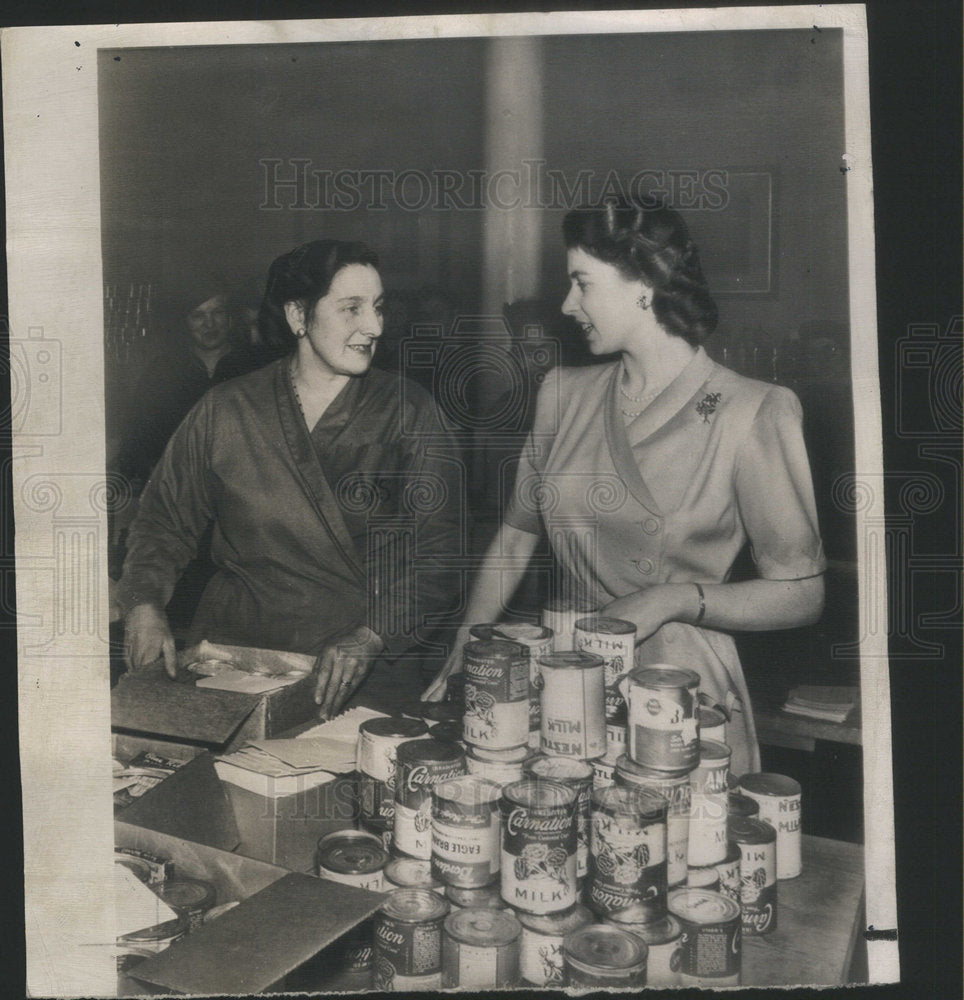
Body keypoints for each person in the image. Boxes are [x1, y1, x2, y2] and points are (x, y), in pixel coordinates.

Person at [424, 202, 825, 775]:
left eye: (582, 283)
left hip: (676, 689)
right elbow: (515, 538)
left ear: (643, 285)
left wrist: (673, 599)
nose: (568, 305)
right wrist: (468, 644)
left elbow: (803, 595)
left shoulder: (752, 409)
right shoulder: (562, 393)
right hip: (566, 676)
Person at [115, 240, 461, 719]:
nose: (375, 326)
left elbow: (440, 552)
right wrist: (144, 604)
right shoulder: (227, 409)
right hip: (237, 655)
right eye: (352, 308)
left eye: (379, 307)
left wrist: (373, 634)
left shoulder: (410, 411)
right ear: (299, 315)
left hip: (359, 659)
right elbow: (162, 522)